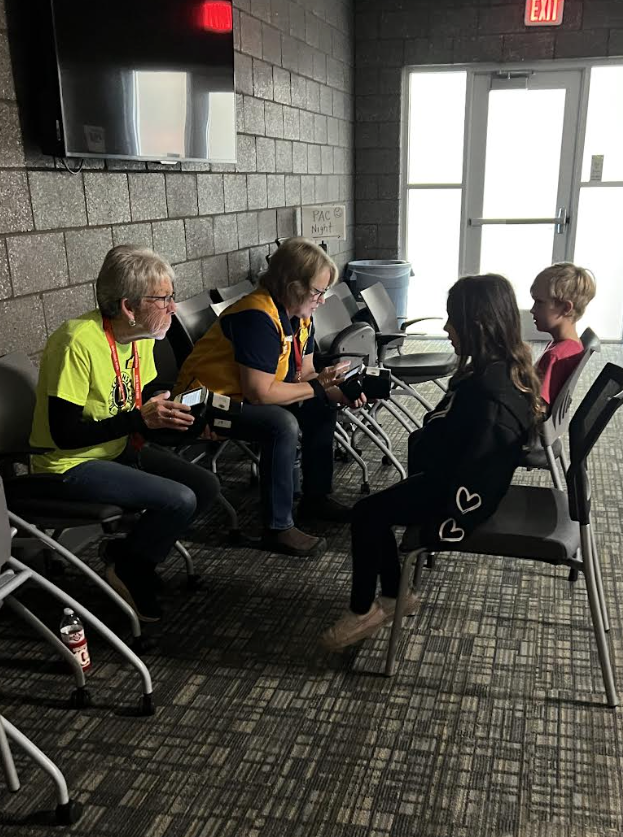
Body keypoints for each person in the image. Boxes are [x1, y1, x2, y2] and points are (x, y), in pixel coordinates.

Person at [320, 274, 542, 652]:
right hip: (462, 481)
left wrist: (443, 519)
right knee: (373, 511)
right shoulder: (502, 370)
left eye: (452, 319)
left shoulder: (487, 394)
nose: (446, 328)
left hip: (463, 498)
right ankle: (395, 596)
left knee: (367, 514)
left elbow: (468, 464)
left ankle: (365, 610)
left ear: (477, 326)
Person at [30, 245, 220, 623]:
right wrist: (140, 420)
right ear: (128, 307)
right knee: (179, 499)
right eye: (163, 299)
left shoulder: (141, 336)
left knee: (205, 486)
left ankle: (127, 555)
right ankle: (132, 569)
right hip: (69, 463)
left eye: (172, 296)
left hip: (116, 446)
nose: (173, 307)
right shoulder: (76, 341)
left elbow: (139, 397)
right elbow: (64, 434)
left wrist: (179, 414)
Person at [172, 237, 363, 558]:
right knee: (280, 423)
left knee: (321, 404)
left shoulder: (301, 314)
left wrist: (339, 392)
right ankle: (277, 527)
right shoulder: (256, 316)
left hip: (241, 398)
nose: (322, 300)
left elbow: (307, 373)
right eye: (318, 292)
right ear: (293, 287)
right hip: (202, 404)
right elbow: (260, 393)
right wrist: (319, 387)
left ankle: (315, 498)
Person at [529, 263, 597, 406]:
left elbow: (538, 408)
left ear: (566, 308)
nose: (532, 310)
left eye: (539, 302)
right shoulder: (573, 345)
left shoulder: (555, 356)